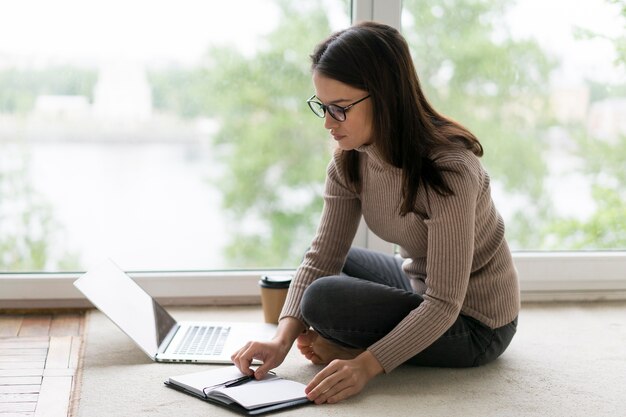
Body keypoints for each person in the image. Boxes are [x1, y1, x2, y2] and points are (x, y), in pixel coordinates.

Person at [231, 21, 520, 405]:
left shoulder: (449, 171)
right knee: (336, 264)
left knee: (324, 299)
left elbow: (445, 303)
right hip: (421, 285)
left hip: (476, 322)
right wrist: (280, 340)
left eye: (340, 109)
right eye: (322, 106)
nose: (328, 123)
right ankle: (357, 344)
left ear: (384, 97)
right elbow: (322, 257)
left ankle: (353, 349)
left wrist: (364, 365)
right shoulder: (350, 162)